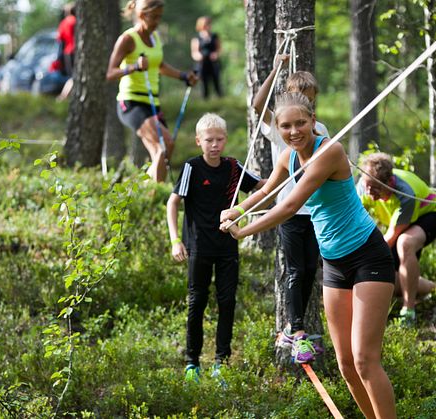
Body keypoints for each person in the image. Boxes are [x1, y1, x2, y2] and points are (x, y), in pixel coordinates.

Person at [220, 93, 396, 418]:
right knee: (345, 364)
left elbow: (288, 206)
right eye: (286, 125)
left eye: (300, 123)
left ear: (313, 121)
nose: (294, 130)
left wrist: (243, 231)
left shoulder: (329, 151)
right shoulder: (288, 156)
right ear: (278, 128)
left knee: (364, 360)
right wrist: (236, 209)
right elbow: (266, 191)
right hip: (334, 264)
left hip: (368, 257)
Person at [167, 113, 265, 383]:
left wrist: (292, 176)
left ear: (225, 140)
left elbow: (261, 186)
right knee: (196, 303)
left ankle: (221, 361)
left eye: (219, 139)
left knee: (227, 302)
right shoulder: (192, 167)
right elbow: (172, 203)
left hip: (227, 246)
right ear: (199, 141)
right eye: (209, 140)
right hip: (198, 247)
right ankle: (192, 363)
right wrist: (176, 240)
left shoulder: (233, 167)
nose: (214, 145)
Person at [252, 54, 329, 363]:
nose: (306, 109)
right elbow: (258, 105)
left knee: (312, 268)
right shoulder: (280, 124)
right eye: (301, 100)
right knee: (296, 270)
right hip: (290, 211)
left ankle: (296, 329)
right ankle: (294, 330)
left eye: (310, 103)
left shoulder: (319, 127)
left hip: (316, 210)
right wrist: (275, 70)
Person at [106, 0, 198, 182]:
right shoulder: (128, 39)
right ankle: (153, 194)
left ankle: (148, 195)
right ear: (141, 15)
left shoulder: (155, 37)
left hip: (152, 103)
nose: (157, 21)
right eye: (154, 17)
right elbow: (110, 73)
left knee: (161, 152)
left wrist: (183, 76)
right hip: (131, 102)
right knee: (166, 144)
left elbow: (159, 65)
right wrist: (134, 67)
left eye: (160, 17)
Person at [357, 152, 436, 327]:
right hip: (398, 223)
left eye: (375, 188)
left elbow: (392, 236)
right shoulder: (363, 186)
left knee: (404, 243)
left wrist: (366, 259)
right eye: (367, 186)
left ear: (389, 182)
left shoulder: (404, 193)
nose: (369, 192)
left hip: (431, 215)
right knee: (391, 276)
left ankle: (409, 309)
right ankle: (433, 287)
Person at [190, 16, 222, 99]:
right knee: (204, 84)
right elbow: (194, 53)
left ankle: (220, 100)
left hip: (213, 64)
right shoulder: (196, 38)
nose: (208, 25)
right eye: (206, 24)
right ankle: (205, 101)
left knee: (217, 83)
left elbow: (219, 49)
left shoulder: (214, 36)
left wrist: (216, 55)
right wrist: (199, 56)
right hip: (202, 64)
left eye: (209, 23)